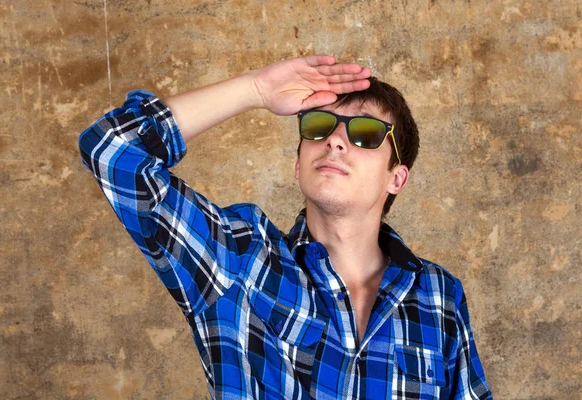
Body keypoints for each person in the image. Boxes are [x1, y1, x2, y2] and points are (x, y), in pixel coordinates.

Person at [79, 55, 492, 399]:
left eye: (365, 134)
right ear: (298, 166)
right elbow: (112, 150)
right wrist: (254, 90)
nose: (335, 141)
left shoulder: (441, 297)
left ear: (396, 178)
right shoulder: (239, 261)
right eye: (318, 127)